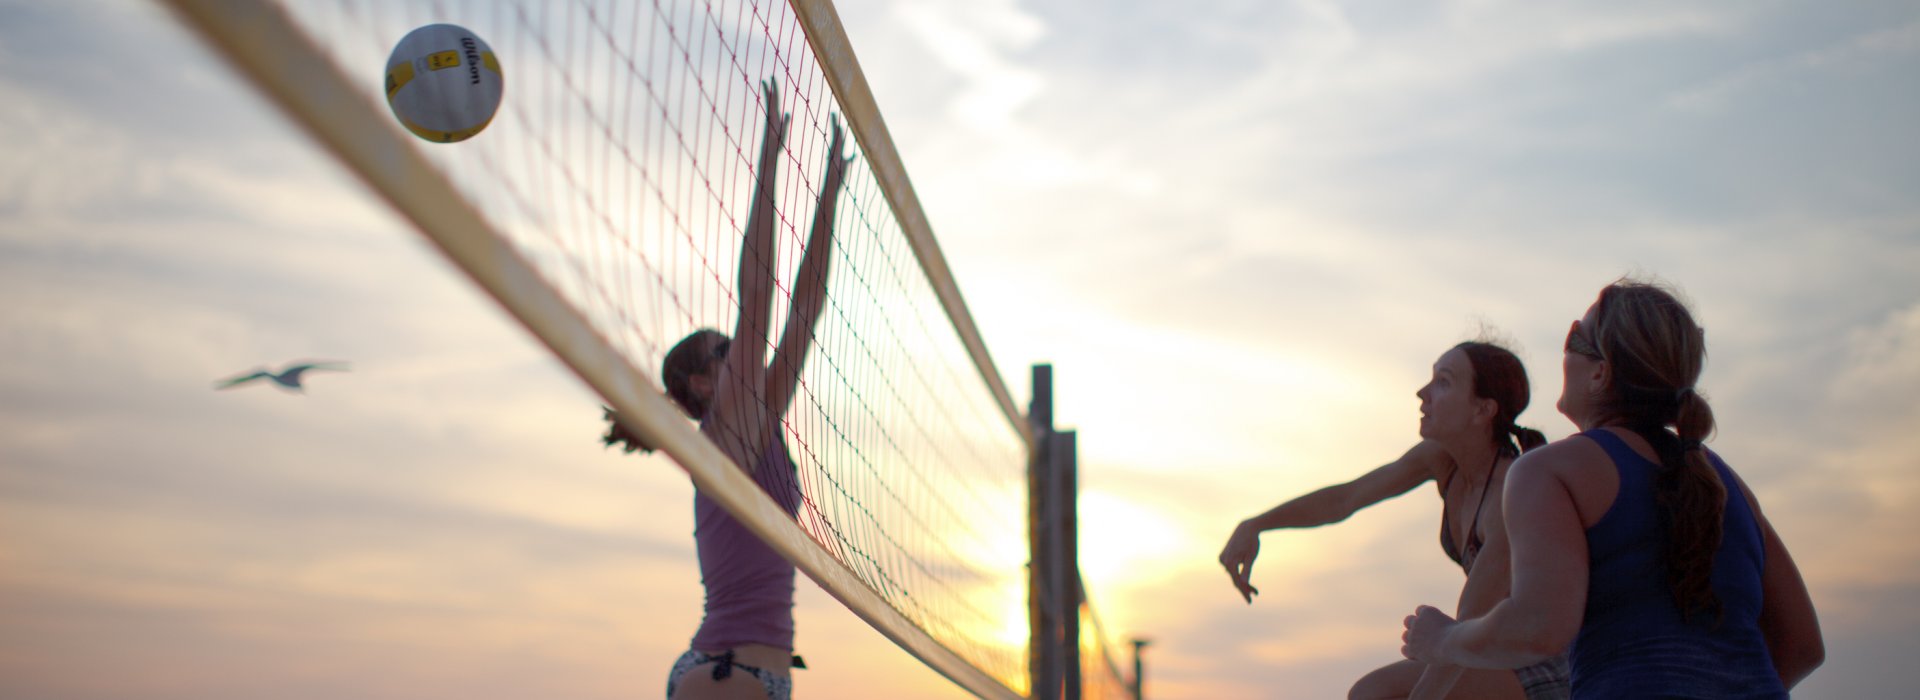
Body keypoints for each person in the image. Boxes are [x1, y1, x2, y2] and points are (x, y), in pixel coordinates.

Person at [1400, 279, 1825, 698]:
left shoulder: (1547, 470)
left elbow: (1537, 627)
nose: (1563, 352)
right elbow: (1803, 646)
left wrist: (1442, 639)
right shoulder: (1725, 483)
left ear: (1601, 373)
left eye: (1573, 338)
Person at [604, 78, 854, 700]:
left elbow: (807, 308)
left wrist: (829, 193)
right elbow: (761, 297)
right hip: (728, 673)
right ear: (701, 382)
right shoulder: (723, 436)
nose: (740, 351)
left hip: (755, 672)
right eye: (725, 350)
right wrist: (769, 158)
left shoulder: (760, 419)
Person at [1219, 340, 1569, 699]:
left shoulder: (1508, 495)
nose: (1422, 393)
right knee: (1372, 692)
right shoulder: (1442, 461)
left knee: (1376, 693)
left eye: (1443, 382)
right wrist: (1257, 523)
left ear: (1483, 409)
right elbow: (1345, 498)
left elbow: (1464, 625)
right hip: (1487, 650)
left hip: (1545, 663)